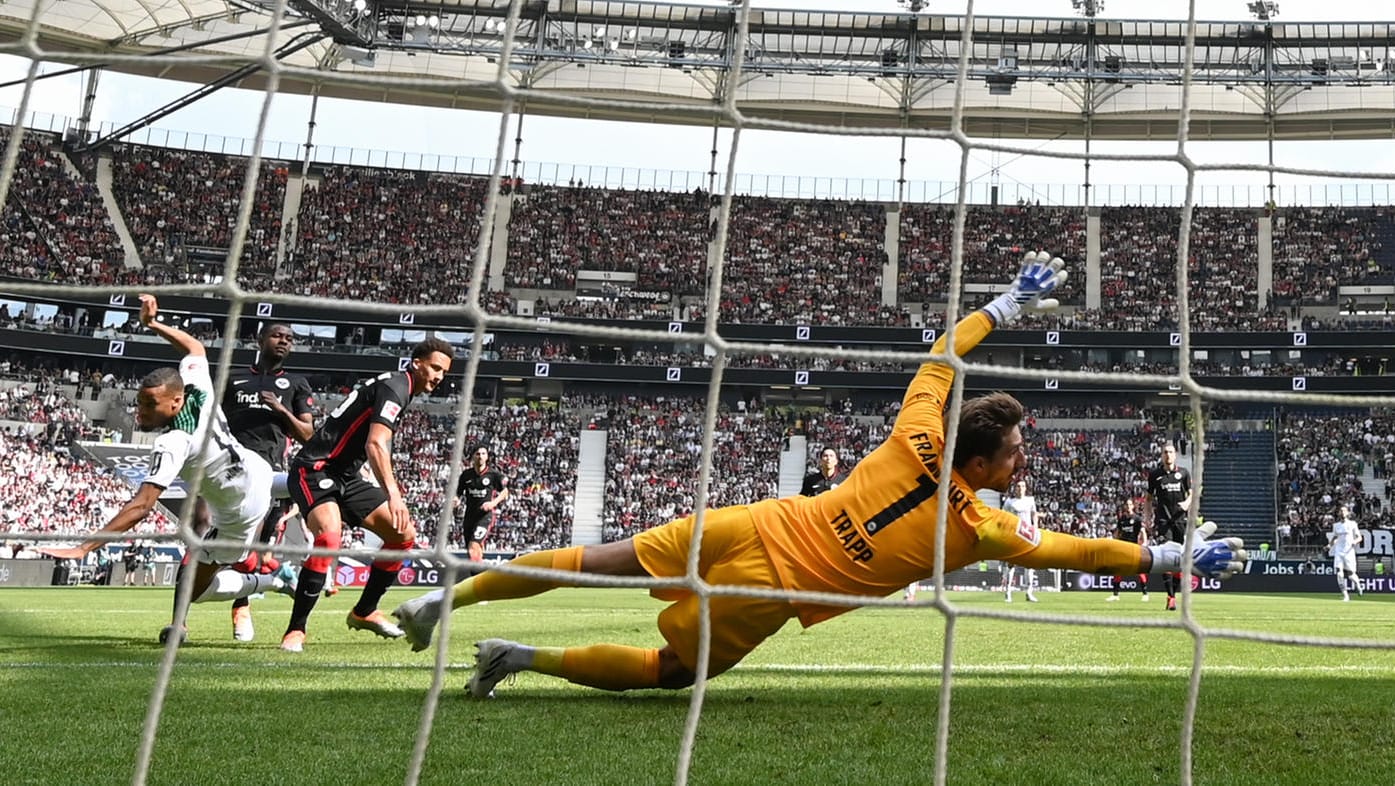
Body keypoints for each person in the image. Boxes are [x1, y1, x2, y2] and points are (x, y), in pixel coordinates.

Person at [391, 252, 1249, 698]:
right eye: (1018, 452)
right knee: (673, 676)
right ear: (983, 466)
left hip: (758, 521)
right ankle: (520, 657)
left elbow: (942, 355)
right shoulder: (979, 527)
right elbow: (1080, 554)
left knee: (601, 556)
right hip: (773, 585)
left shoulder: (917, 430)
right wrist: (1168, 563)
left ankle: (447, 598)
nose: (1025, 461)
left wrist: (1003, 307)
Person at [39, 295, 295, 639]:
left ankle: (271, 580)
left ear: (175, 402)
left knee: (194, 589)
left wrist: (84, 547)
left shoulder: (174, 442)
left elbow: (142, 506)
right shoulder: (197, 388)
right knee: (311, 483)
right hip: (259, 470)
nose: (139, 412)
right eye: (140, 403)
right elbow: (194, 348)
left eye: (150, 405)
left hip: (241, 513)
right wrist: (153, 325)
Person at [279, 338, 454, 653]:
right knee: (329, 539)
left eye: (444, 372)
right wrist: (394, 495)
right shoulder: (397, 387)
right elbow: (376, 443)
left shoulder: (399, 388)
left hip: (345, 475)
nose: (439, 376)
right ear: (416, 362)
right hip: (315, 469)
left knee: (403, 536)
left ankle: (365, 610)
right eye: (435, 367)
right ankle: (296, 631)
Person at [218, 321, 314, 642]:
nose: (284, 341)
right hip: (226, 470)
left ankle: (245, 602)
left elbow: (307, 434)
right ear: (259, 339)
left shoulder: (297, 384)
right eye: (277, 336)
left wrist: (281, 410)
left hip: (270, 475)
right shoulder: (232, 378)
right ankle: (240, 603)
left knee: (252, 553)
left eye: (289, 338)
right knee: (223, 543)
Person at [1146, 441, 1192, 611]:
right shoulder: (1155, 475)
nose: (1168, 455)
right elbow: (1149, 500)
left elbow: (1193, 493)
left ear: (1175, 455)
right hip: (1163, 521)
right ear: (1162, 455)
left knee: (1179, 560)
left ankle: (1173, 594)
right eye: (1165, 452)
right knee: (1166, 558)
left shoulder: (1184, 473)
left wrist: (1187, 503)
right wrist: (1147, 517)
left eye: (1171, 452)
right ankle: (1170, 597)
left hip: (1180, 521)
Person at [455, 445, 510, 563]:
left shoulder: (493, 475)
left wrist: (492, 503)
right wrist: (456, 500)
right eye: (478, 454)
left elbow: (505, 492)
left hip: (484, 516)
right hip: (469, 517)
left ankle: (477, 576)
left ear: (487, 457)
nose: (480, 456)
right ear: (473, 457)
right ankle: (478, 574)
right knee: (474, 550)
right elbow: (458, 493)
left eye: (483, 454)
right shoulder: (466, 475)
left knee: (473, 546)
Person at [1000, 479, 1039, 603]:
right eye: (1018, 486)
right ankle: (1008, 593)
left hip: (1027, 536)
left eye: (1022, 486)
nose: (1020, 488)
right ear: (1015, 488)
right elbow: (1002, 516)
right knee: (1011, 565)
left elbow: (1034, 514)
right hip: (1014, 536)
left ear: (1025, 488)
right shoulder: (1009, 502)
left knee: (1030, 565)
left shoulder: (1030, 500)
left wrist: (1035, 527)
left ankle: (1029, 592)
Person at [1106, 498, 1149, 602]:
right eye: (1126, 504)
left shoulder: (1137, 519)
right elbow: (1118, 532)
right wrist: (1114, 542)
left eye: (1130, 504)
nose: (1128, 506)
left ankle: (1145, 594)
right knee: (1118, 570)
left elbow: (1143, 532)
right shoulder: (1122, 519)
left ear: (1133, 506)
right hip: (1122, 547)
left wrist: (1145, 543)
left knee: (1139, 570)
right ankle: (1116, 595)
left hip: (1133, 547)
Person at [1328, 505, 1364, 601]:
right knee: (1339, 573)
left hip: (1349, 552)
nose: (1342, 512)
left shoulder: (1353, 524)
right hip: (1339, 552)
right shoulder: (1336, 525)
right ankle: (1346, 596)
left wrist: (1355, 541)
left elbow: (1359, 537)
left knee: (1351, 574)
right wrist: (1329, 545)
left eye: (1344, 511)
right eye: (1341, 511)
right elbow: (1335, 537)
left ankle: (1358, 584)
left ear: (1348, 513)